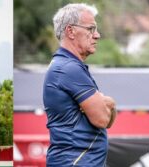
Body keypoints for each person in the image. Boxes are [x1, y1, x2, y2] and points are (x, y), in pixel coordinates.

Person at [43, 3, 117, 167]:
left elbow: (107, 122)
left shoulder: (69, 65)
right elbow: (102, 119)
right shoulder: (68, 68)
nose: (97, 35)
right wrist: (109, 103)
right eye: (91, 29)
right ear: (70, 31)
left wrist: (107, 106)